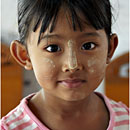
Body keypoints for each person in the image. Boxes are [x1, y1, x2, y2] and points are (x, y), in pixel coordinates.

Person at [1, 0, 129, 130]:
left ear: (110, 49)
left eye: (88, 46)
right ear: (24, 56)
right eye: (53, 48)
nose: (72, 65)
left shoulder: (126, 121)